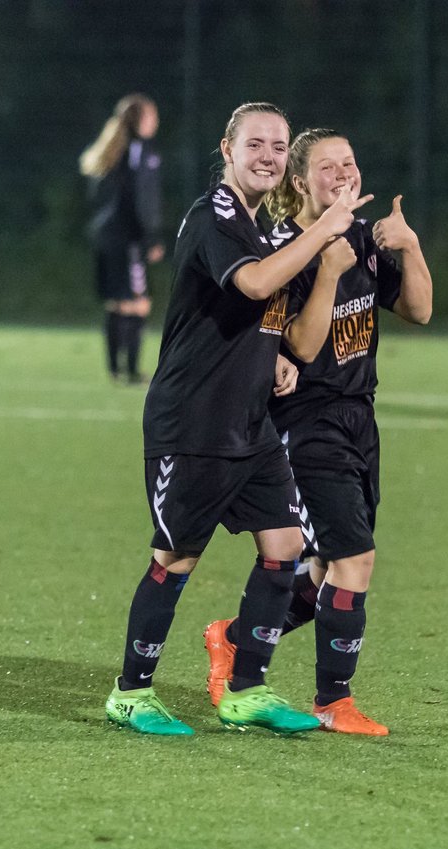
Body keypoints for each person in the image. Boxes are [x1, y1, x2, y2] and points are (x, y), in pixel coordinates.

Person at [104, 104, 371, 736]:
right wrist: (327, 229)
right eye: (256, 144)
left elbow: (260, 316)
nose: (269, 157)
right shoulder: (212, 217)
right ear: (227, 149)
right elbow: (252, 286)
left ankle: (246, 689)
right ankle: (130, 692)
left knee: (284, 550)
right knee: (175, 557)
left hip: (249, 425)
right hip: (192, 423)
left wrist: (279, 358)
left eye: (279, 147)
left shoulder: (256, 226)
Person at [203, 128, 432, 736]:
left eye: (350, 163)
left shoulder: (361, 235)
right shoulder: (288, 249)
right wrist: (327, 266)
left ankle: (231, 637)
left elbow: (419, 310)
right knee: (355, 559)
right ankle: (334, 702)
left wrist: (409, 248)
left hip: (360, 417)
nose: (342, 174)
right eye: (328, 167)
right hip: (305, 423)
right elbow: (298, 350)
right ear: (300, 182)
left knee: (327, 566)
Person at [79, 93, 165, 384]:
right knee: (138, 302)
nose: (155, 121)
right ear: (139, 120)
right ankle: (131, 371)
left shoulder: (109, 151)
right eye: (151, 115)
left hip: (105, 237)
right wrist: (150, 238)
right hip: (129, 239)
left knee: (116, 302)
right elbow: (141, 201)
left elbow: (97, 198)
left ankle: (115, 370)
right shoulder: (140, 152)